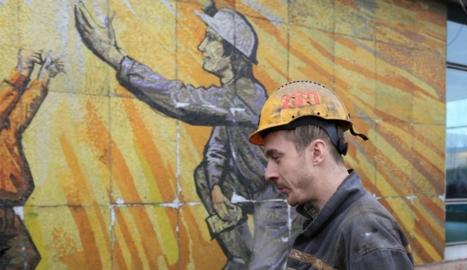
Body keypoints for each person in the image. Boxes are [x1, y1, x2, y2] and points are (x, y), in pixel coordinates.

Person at [74, 2, 294, 269]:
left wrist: (115, 56)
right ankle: (239, 257)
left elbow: (182, 100)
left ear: (231, 53)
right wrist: (215, 187)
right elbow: (217, 148)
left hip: (281, 195)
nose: (201, 47)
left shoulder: (247, 95)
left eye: (211, 39)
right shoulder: (231, 98)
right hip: (255, 186)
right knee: (205, 174)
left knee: (266, 265)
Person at [249, 80, 415, 269]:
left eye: (277, 158)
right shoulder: (328, 222)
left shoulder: (366, 234)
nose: (268, 173)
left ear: (317, 152)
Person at [0, 49, 63, 269]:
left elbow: (22, 112)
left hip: (5, 209)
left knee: (24, 258)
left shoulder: (5, 131)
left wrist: (43, 78)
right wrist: (22, 70)